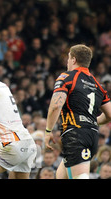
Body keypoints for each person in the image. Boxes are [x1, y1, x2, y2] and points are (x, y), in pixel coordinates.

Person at [44, 44, 111, 179]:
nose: (67, 61)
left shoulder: (66, 77)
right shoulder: (97, 84)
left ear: (73, 59)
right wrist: (92, 122)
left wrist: (48, 131)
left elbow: (56, 105)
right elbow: (110, 114)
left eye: (68, 58)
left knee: (80, 177)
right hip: (92, 136)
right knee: (61, 176)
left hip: (75, 134)